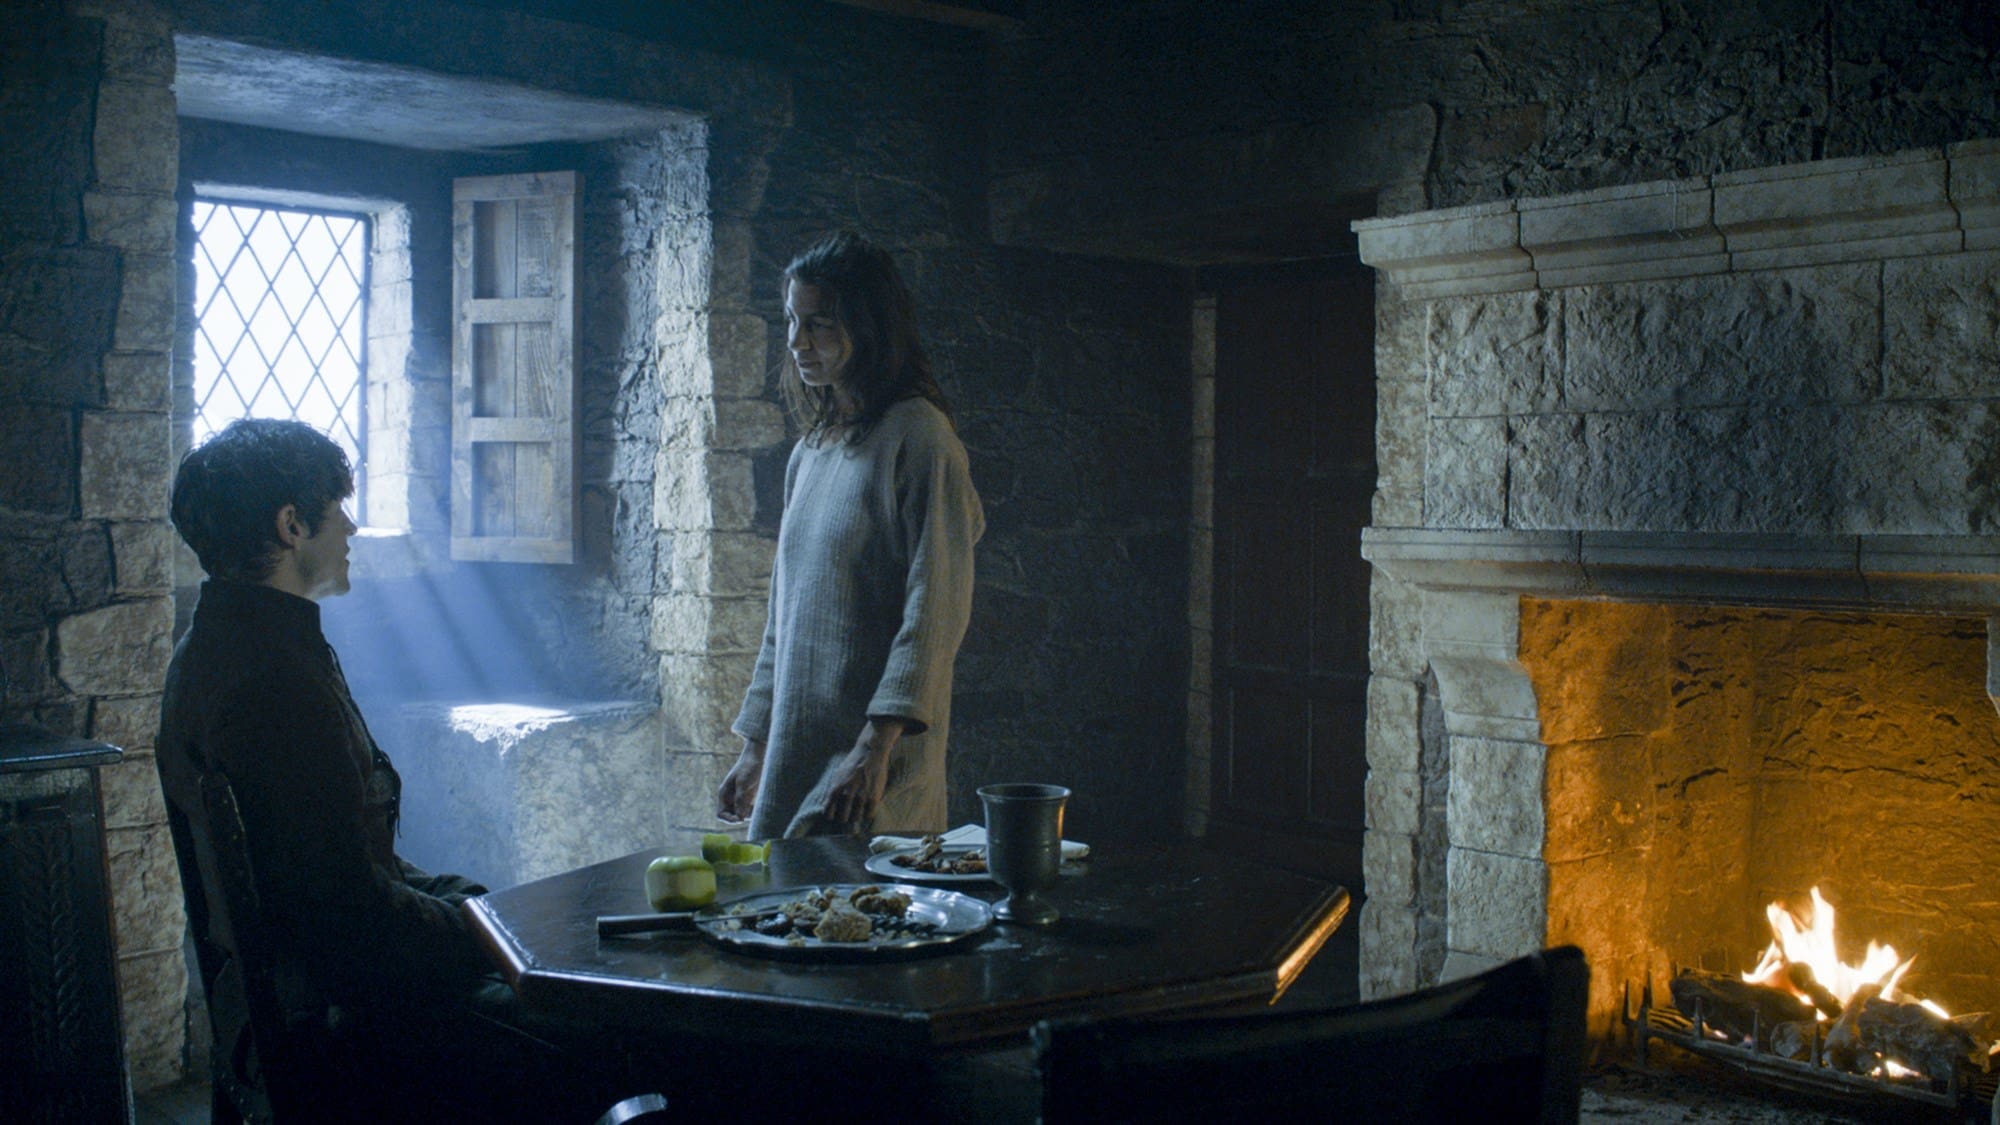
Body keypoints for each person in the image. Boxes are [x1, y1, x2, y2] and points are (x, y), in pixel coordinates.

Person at [156, 418, 619, 1121]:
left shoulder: (221, 646)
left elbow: (340, 866)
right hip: (340, 1027)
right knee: (612, 1038)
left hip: (301, 998)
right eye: (338, 508)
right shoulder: (273, 684)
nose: (350, 527)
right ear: (291, 525)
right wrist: (485, 935)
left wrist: (477, 906)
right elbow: (350, 924)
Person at [718, 231, 984, 839]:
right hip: (797, 756)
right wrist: (757, 745)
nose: (797, 341)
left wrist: (875, 746)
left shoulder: (920, 438)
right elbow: (784, 617)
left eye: (819, 324)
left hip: (872, 768)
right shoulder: (812, 451)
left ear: (868, 327)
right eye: (793, 320)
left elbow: (936, 608)